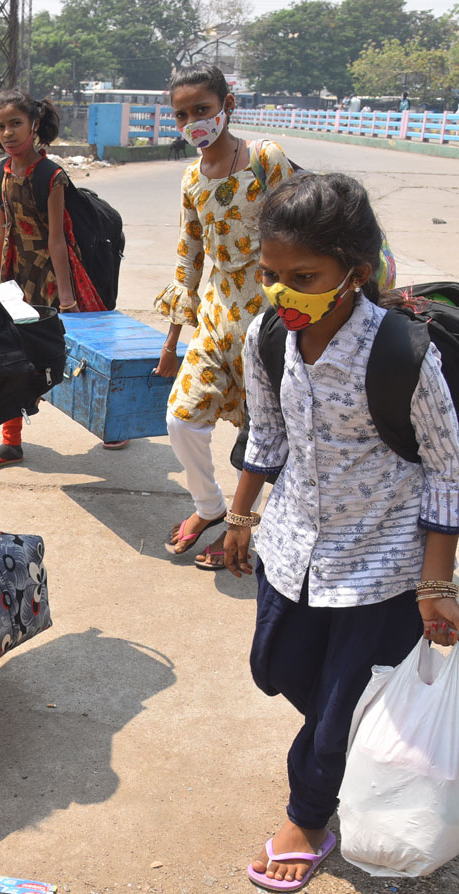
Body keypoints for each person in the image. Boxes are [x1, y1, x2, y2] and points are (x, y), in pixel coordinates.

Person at [221, 172, 459, 892]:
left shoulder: (403, 355)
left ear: (354, 275)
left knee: (340, 700)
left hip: (381, 563)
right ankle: (357, 741)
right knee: (278, 668)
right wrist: (241, 514)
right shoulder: (267, 335)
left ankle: (309, 812)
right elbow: (266, 434)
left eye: (303, 277)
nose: (281, 292)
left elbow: (448, 471)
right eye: (270, 275)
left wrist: (436, 584)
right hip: (292, 548)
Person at [154, 64, 293, 571]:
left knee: (266, 429)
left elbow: (302, 227)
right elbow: (189, 256)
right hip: (217, 312)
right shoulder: (192, 177)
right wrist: (172, 341)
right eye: (182, 114)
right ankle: (210, 508)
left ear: (227, 105)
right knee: (181, 418)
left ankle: (244, 526)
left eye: (202, 110)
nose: (194, 122)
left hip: (274, 314)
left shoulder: (264, 158)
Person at [0, 89, 113, 472]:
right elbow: (3, 229)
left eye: (16, 124)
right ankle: (11, 443)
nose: (8, 133)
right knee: (14, 358)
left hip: (52, 274)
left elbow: (56, 238)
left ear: (34, 125)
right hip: (17, 274)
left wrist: (66, 299)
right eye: (0, 126)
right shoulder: (0, 170)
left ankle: (114, 426)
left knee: (75, 354)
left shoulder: (51, 175)